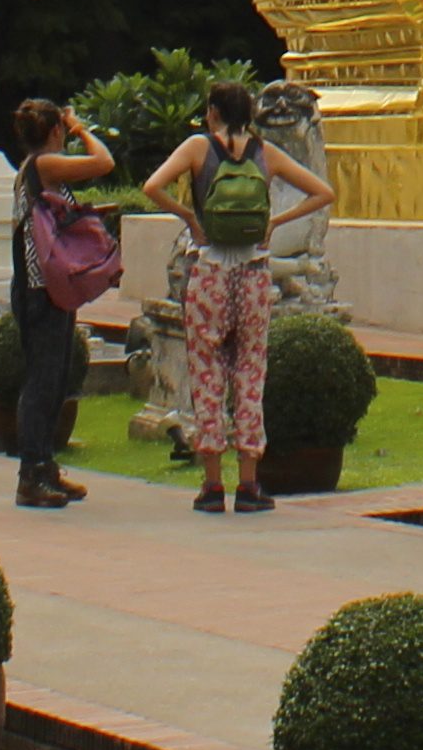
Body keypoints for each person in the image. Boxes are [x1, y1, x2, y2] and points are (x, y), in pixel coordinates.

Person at [140, 78, 331, 515]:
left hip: (208, 272)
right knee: (250, 370)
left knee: (206, 371)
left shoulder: (197, 148)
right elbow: (324, 192)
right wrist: (274, 223)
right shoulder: (266, 154)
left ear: (212, 113)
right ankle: (249, 484)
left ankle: (211, 484)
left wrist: (190, 216)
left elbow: (152, 186)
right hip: (253, 274)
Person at [2, 96, 117, 509]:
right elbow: (104, 163)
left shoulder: (41, 170)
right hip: (39, 292)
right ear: (54, 132)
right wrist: (82, 129)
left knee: (54, 380)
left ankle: (45, 469)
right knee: (41, 383)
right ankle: (31, 474)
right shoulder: (43, 165)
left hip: (49, 290)